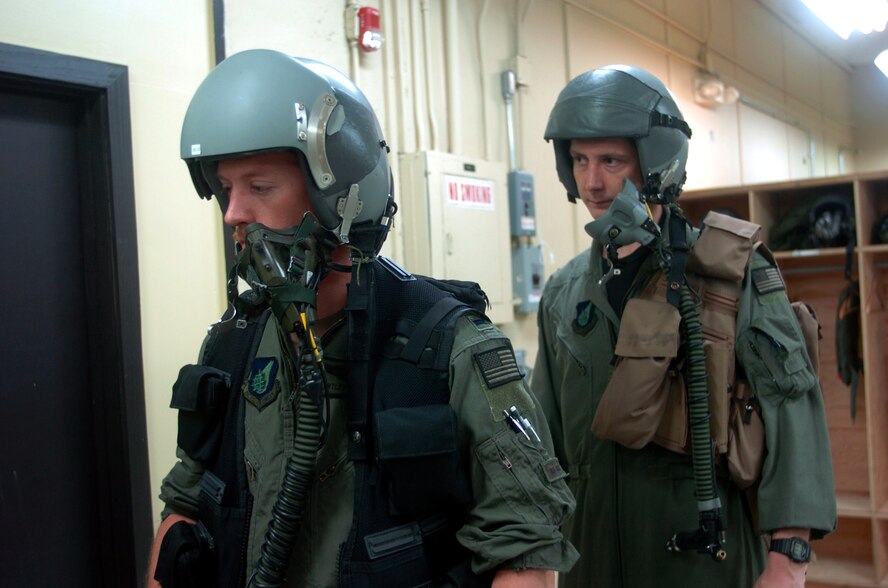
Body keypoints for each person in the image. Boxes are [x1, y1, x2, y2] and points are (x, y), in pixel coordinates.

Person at [145, 49, 578, 588]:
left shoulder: (450, 351)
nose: (234, 214)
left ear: (341, 197)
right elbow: (183, 509)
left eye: (259, 188)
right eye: (227, 190)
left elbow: (525, 553)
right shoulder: (233, 346)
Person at [532, 64, 837, 588]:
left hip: (699, 559)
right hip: (592, 558)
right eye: (580, 160)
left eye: (611, 160)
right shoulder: (564, 292)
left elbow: (792, 408)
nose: (592, 181)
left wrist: (788, 561)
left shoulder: (728, 276)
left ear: (655, 163)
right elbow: (543, 438)